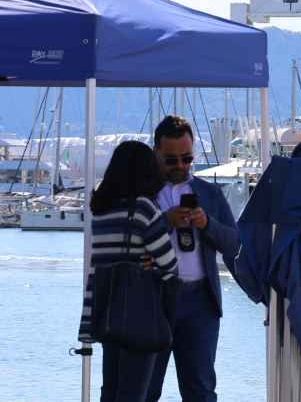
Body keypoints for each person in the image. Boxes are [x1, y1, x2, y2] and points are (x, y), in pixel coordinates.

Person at [146, 116, 240, 402]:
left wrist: (206, 223)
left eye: (187, 159)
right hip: (153, 300)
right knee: (145, 388)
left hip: (200, 301)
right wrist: (165, 222)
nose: (181, 167)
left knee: (200, 390)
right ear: (156, 154)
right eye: (171, 160)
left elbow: (234, 244)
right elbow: (128, 241)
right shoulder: (142, 195)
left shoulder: (208, 194)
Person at [78, 140, 178, 402]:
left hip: (107, 315)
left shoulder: (100, 213)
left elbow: (103, 263)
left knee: (110, 392)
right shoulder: (143, 208)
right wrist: (151, 265)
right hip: (139, 317)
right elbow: (170, 265)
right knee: (134, 395)